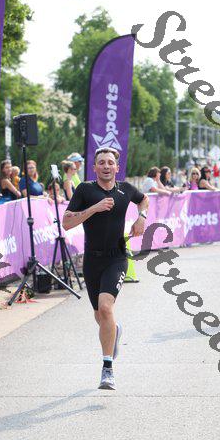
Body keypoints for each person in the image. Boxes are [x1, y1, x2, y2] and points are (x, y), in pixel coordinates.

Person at [62, 147, 149, 391]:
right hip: (92, 261)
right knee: (100, 316)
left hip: (117, 258)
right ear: (94, 167)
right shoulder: (85, 190)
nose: (106, 166)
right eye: (101, 162)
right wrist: (94, 208)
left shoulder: (126, 189)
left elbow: (144, 199)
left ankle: (107, 368)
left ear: (117, 167)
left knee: (106, 308)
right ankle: (113, 331)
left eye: (110, 162)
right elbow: (66, 223)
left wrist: (142, 217)